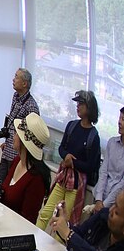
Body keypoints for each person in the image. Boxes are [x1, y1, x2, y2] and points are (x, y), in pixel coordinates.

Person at [37, 91, 101, 228]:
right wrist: (66, 156)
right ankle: (34, 238)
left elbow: (91, 166)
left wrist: (73, 162)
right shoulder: (72, 125)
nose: (78, 106)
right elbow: (61, 148)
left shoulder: (93, 136)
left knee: (65, 222)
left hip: (76, 186)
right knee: (46, 213)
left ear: (89, 107)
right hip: (63, 179)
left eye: (81, 104)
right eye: (77, 103)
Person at [50, 188, 124, 251]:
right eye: (114, 204)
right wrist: (64, 224)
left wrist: (68, 234)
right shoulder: (103, 216)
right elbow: (79, 234)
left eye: (117, 212)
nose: (111, 210)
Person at [0, 112, 51, 224]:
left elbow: (27, 222)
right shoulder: (17, 161)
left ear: (24, 141)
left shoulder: (36, 179)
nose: (14, 136)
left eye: (17, 133)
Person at [0, 68, 39, 187]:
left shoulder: (31, 107)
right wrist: (7, 141)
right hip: (7, 150)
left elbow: (30, 136)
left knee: (7, 189)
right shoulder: (15, 96)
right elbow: (13, 123)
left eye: (17, 77)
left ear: (25, 83)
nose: (13, 79)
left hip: (17, 157)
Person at [93, 107, 124, 214]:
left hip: (115, 205)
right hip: (99, 197)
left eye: (123, 119)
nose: (119, 122)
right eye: (120, 118)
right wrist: (98, 199)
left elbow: (122, 184)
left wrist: (104, 205)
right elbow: (104, 171)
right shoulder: (112, 142)